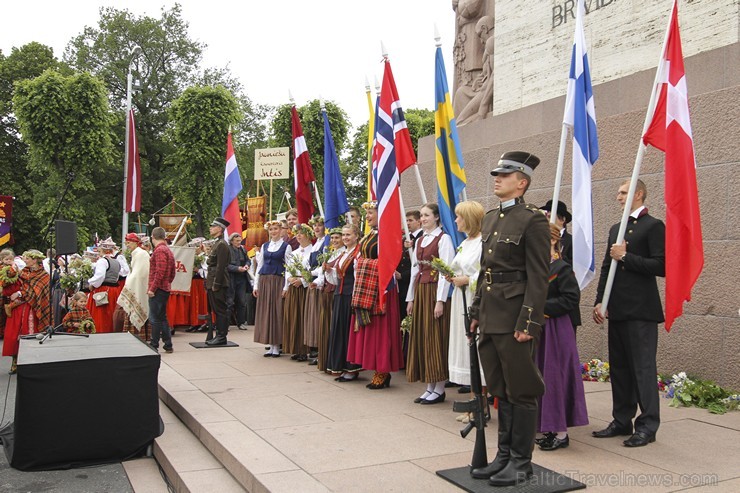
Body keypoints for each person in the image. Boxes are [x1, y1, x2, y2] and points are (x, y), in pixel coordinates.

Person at [469, 151, 550, 486]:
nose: (497, 179)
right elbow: (484, 272)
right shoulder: (489, 218)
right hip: (490, 315)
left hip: (515, 317)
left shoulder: (533, 220)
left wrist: (528, 323)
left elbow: (538, 276)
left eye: (504, 175)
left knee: (522, 390)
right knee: (501, 389)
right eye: (496, 174)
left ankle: (521, 461)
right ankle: (503, 456)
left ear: (522, 182)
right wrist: (475, 312)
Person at [592, 179, 665, 448]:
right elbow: (605, 268)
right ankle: (621, 419)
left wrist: (625, 257)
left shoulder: (653, 226)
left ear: (639, 194)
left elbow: (661, 265)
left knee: (643, 369)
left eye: (623, 192)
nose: (618, 196)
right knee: (620, 368)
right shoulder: (615, 229)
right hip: (618, 309)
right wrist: (601, 300)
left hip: (641, 311)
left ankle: (647, 425)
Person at [535, 223, 589, 451]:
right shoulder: (535, 267)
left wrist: (541, 307)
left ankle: (561, 433)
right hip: (539, 328)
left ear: (553, 241)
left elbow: (570, 299)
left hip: (556, 328)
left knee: (556, 377)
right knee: (541, 376)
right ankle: (547, 426)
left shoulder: (562, 268)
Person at [348, 202, 405, 389]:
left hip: (382, 288)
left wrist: (364, 263)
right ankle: (374, 367)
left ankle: (383, 371)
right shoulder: (370, 235)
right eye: (366, 213)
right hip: (368, 285)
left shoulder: (387, 234)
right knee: (370, 329)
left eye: (370, 212)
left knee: (382, 330)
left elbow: (388, 262)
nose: (367, 216)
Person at [406, 203, 455, 403]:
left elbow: (445, 272)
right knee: (423, 336)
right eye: (422, 216)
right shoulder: (420, 241)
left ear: (436, 217)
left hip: (435, 291)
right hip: (421, 291)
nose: (423, 218)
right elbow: (414, 271)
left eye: (427, 215)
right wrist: (410, 297)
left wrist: (440, 301)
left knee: (436, 337)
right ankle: (429, 386)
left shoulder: (444, 239)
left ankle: (440, 387)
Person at [445, 200, 485, 420]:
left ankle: (480, 404)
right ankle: (474, 403)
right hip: (461, 299)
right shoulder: (466, 242)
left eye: (459, 216)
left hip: (474, 299)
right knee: (465, 349)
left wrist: (467, 279)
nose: (456, 220)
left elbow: (487, 273)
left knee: (475, 350)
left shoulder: (482, 243)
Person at [2, 250, 50, 374]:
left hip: (32, 308)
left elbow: (37, 293)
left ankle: (32, 362)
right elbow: (16, 283)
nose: (25, 260)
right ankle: (15, 362)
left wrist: (19, 293)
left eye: (27, 258)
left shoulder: (43, 275)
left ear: (34, 260)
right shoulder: (23, 272)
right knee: (14, 334)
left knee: (30, 332)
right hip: (18, 307)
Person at [325, 223, 362, 380]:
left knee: (348, 332)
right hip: (339, 297)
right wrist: (328, 271)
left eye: (348, 235)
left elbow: (358, 277)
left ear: (356, 236)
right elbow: (336, 279)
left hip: (350, 296)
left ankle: (351, 369)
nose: (345, 238)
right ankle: (341, 367)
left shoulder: (358, 254)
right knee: (339, 331)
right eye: (344, 235)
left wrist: (355, 297)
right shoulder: (343, 254)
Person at [253, 220, 292, 357]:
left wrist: (286, 286)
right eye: (271, 230)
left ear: (281, 230)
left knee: (276, 311)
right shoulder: (265, 246)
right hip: (265, 280)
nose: (273, 231)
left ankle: (277, 345)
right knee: (266, 311)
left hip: (277, 281)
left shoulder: (286, 246)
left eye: (276, 229)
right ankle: (269, 343)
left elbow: (289, 267)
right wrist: (256, 284)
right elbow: (260, 265)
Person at [283, 223, 313, 361]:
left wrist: (303, 281)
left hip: (305, 287)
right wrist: (289, 279)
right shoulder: (294, 253)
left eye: (301, 233)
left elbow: (313, 270)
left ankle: (304, 349)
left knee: (303, 317)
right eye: (297, 233)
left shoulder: (313, 251)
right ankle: (294, 347)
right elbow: (287, 269)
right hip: (294, 286)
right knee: (293, 316)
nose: (299, 236)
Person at [315, 228, 344, 372]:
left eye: (337, 238)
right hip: (326, 294)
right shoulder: (330, 254)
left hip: (336, 294)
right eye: (332, 238)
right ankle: (324, 360)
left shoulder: (344, 254)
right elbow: (322, 275)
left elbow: (340, 277)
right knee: (325, 327)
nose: (334, 240)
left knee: (333, 327)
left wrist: (330, 271)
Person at [116, 233, 150, 341]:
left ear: (136, 242)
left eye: (129, 242)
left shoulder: (141, 254)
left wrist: (128, 284)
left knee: (137, 307)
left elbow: (140, 274)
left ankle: (140, 336)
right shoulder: (136, 253)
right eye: (126, 242)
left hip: (139, 287)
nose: (127, 244)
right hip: (135, 286)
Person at [305, 216, 329, 365]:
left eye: (320, 225)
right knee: (314, 317)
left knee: (320, 317)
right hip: (313, 282)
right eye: (315, 226)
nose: (317, 228)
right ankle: (316, 349)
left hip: (320, 283)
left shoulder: (326, 243)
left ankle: (321, 350)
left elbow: (325, 263)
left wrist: (312, 274)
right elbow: (309, 263)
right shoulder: (316, 244)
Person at [148, 227, 176, 353]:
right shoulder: (168, 250)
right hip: (164, 288)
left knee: (154, 318)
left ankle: (154, 344)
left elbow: (160, 271)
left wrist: (152, 288)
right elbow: (172, 272)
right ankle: (168, 343)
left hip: (158, 289)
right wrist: (168, 282)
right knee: (162, 317)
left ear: (153, 237)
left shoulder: (159, 251)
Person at [86, 238, 122, 333]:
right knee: (112, 313)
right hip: (114, 291)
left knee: (102, 315)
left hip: (103, 290)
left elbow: (100, 276)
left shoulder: (102, 261)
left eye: (99, 250)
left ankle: (101, 331)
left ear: (103, 250)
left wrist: (91, 283)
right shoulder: (117, 262)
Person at [205, 217, 231, 346]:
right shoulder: (217, 243)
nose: (210, 228)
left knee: (220, 310)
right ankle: (219, 335)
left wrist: (216, 284)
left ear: (220, 229)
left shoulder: (222, 244)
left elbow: (221, 266)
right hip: (213, 279)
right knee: (217, 310)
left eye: (213, 226)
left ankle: (221, 336)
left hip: (218, 281)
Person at [226, 232, 250, 331]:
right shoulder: (227, 250)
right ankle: (226, 324)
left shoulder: (243, 249)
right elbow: (225, 265)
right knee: (229, 302)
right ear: (231, 241)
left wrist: (247, 265)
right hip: (231, 278)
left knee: (242, 301)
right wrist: (237, 268)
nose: (239, 242)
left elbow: (248, 260)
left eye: (240, 240)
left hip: (241, 279)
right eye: (237, 241)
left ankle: (241, 322)